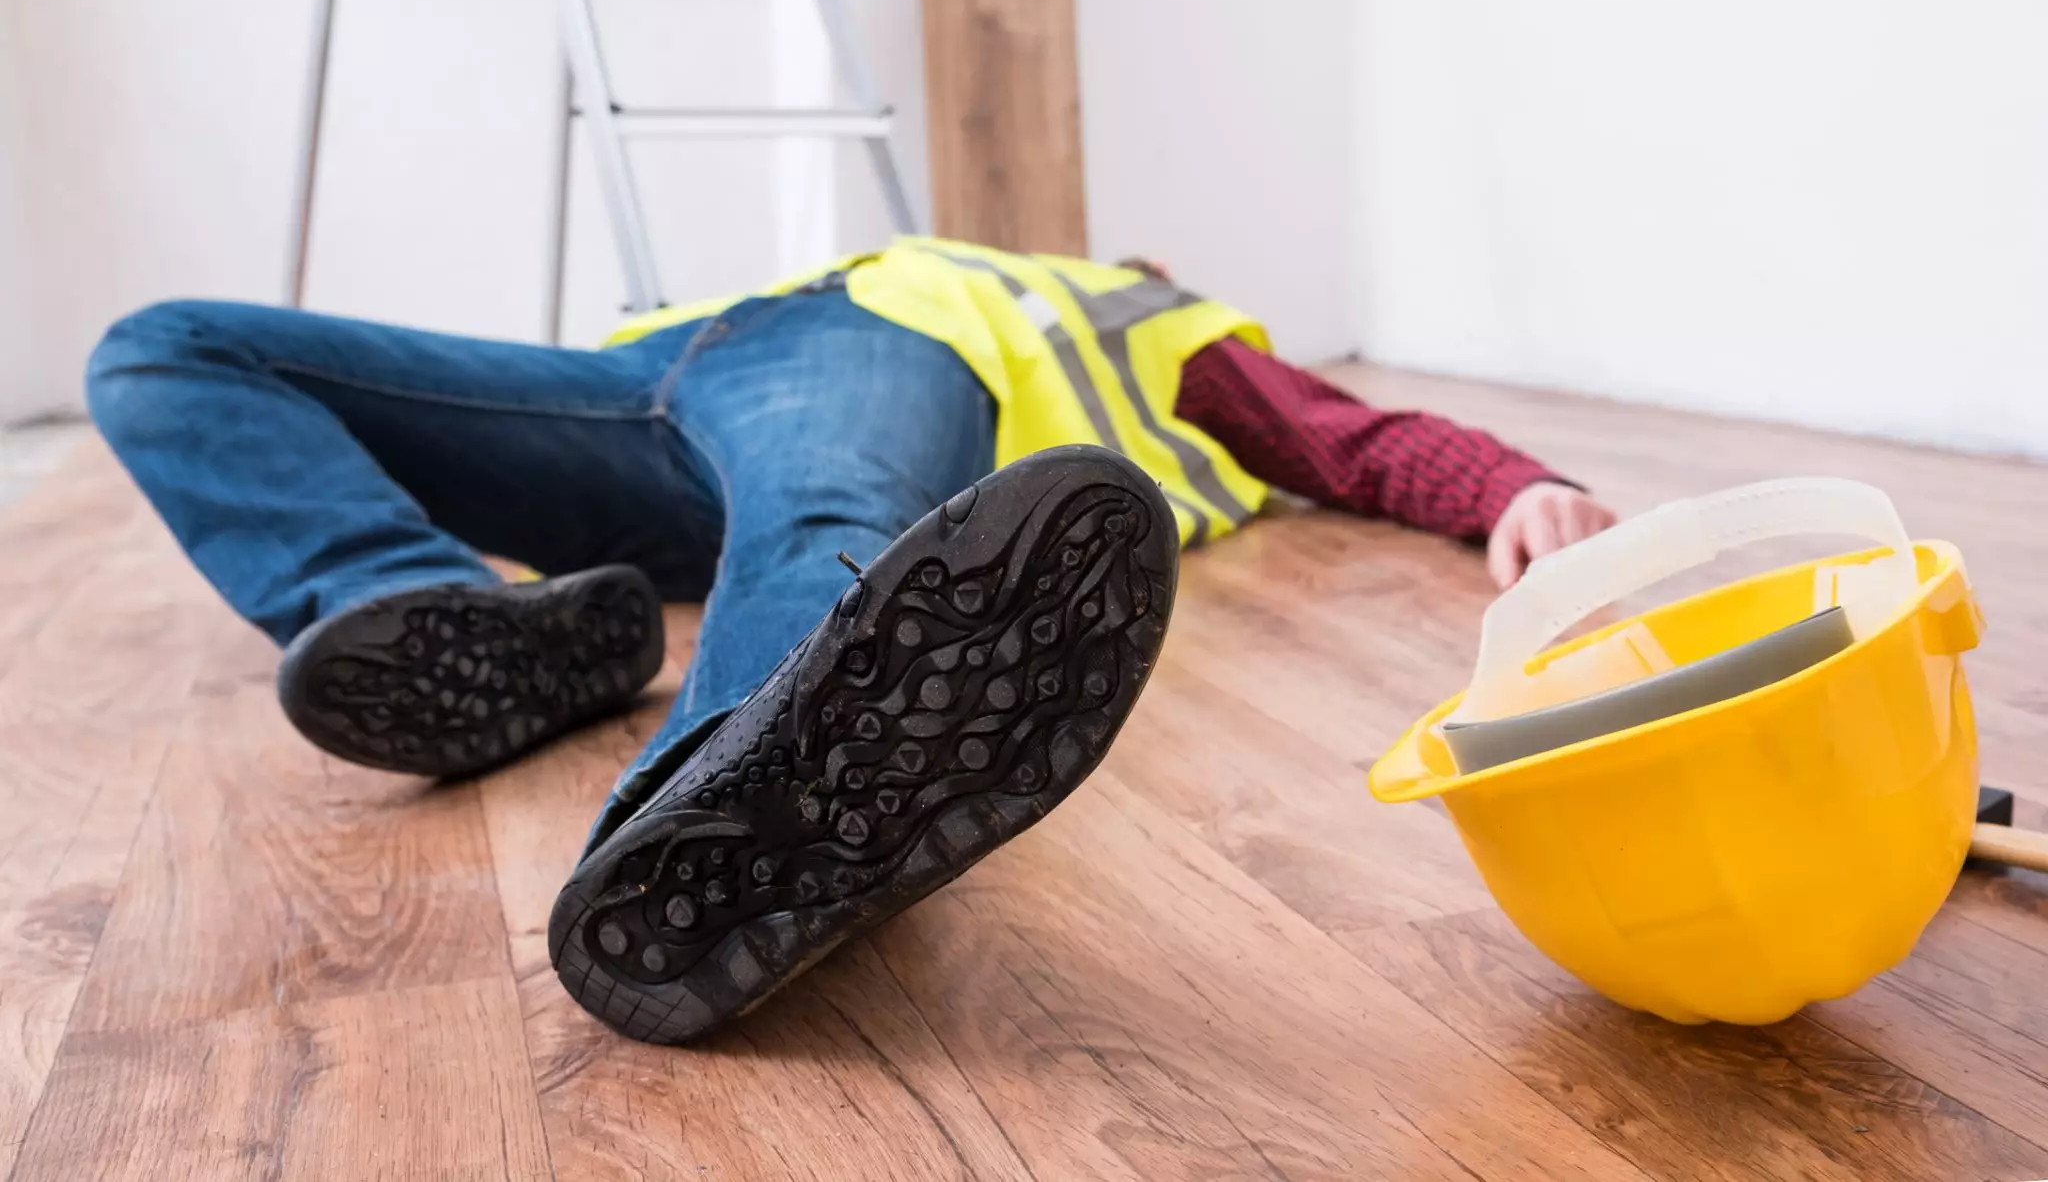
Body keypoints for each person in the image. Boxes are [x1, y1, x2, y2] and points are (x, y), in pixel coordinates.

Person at [84, 236, 1615, 1044]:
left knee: (833, 504)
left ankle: (721, 789)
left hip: (865, 375)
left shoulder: (1161, 323)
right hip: (648, 392)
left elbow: (1356, 435)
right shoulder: (848, 259)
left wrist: (1516, 484)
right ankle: (447, 608)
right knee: (165, 348)